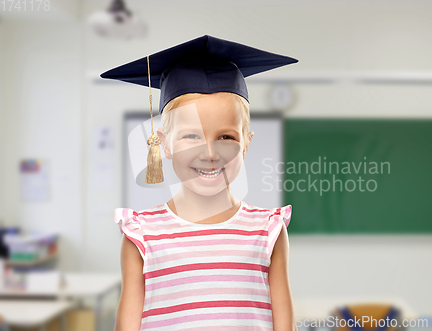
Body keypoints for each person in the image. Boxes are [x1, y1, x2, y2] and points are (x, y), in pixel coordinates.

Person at [101, 35, 298, 330]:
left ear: (246, 143)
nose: (209, 153)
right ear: (163, 144)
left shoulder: (268, 230)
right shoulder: (140, 235)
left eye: (226, 137)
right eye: (191, 136)